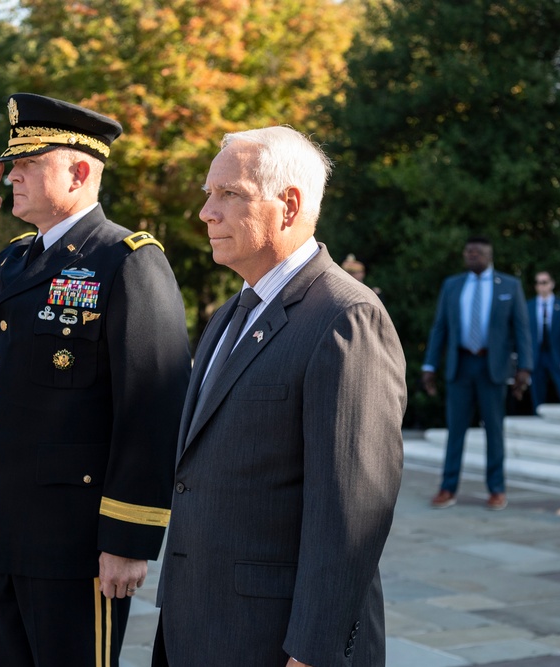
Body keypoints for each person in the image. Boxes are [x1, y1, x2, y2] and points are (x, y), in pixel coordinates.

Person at [0, 93, 191, 667]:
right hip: (2, 525)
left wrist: (127, 540)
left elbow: (153, 407)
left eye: (28, 164)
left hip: (76, 540)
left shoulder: (127, 260)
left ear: (80, 171)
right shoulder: (14, 260)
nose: (11, 175)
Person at [153, 127, 407, 667]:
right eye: (208, 193)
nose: (206, 213)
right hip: (201, 625)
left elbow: (351, 511)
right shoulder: (229, 314)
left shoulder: (345, 317)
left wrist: (313, 652)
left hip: (275, 642)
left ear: (288, 205)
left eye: (229, 194)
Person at [421, 237, 533, 511]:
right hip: (461, 366)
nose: (471, 256)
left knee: (494, 431)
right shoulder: (453, 285)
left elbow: (521, 330)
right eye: (468, 252)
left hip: (492, 368)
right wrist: (429, 365)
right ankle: (448, 488)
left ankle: (496, 489)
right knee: (455, 430)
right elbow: (440, 328)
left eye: (477, 252)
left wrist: (525, 368)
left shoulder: (509, 286)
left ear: (489, 254)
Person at [527, 271, 560, 410]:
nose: (541, 286)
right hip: (536, 356)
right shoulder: (529, 306)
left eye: (544, 282)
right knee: (537, 392)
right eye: (538, 283)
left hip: (556, 355)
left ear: (551, 284)